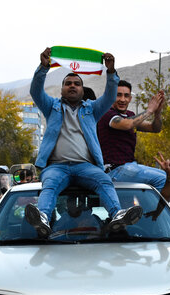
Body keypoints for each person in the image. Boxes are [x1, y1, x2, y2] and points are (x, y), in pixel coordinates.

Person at [25, 47, 143, 238]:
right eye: (68, 83)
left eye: (77, 83)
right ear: (62, 88)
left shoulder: (92, 109)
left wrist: (111, 72)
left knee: (104, 181)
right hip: (57, 167)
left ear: (82, 89)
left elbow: (110, 97)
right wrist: (43, 67)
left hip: (86, 167)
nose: (72, 86)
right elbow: (35, 91)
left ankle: (117, 215)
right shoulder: (51, 107)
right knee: (50, 185)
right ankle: (43, 219)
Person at [97, 80, 170, 201]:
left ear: (130, 98)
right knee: (163, 178)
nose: (122, 99)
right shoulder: (107, 114)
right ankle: (156, 213)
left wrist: (157, 113)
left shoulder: (130, 114)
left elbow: (155, 128)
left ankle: (156, 213)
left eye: (126, 95)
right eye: (118, 95)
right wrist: (149, 110)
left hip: (129, 168)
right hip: (114, 170)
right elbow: (127, 124)